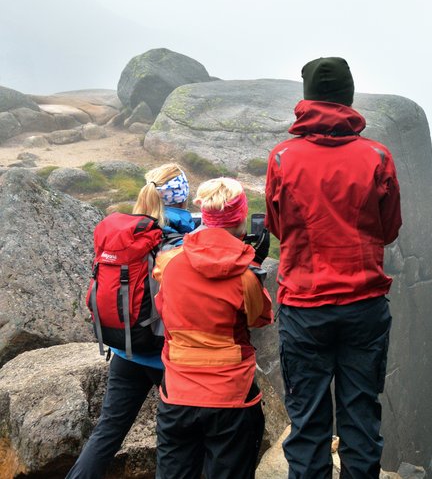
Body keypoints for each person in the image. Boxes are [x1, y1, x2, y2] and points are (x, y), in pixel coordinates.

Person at [265, 57, 402, 478]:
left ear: (308, 99)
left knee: (307, 424)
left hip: (304, 308)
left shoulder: (283, 158)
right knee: (361, 419)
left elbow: (275, 225)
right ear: (348, 97)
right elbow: (390, 229)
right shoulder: (377, 156)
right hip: (363, 305)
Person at [67, 163, 194, 479]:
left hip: (125, 348)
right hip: (167, 357)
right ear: (183, 195)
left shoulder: (127, 233)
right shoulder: (184, 240)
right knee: (174, 440)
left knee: (108, 431)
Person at [154, 177, 273, 479]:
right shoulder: (245, 276)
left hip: (178, 393)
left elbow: (162, 309)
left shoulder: (169, 264)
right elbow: (260, 318)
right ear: (241, 220)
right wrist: (255, 267)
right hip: (231, 396)